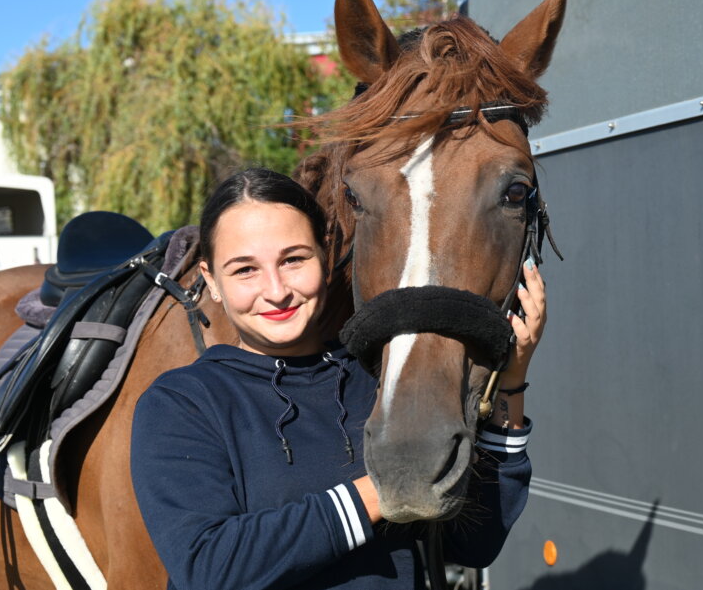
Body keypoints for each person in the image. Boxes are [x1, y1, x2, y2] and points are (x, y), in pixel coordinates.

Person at [130, 168, 546, 590]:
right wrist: (382, 489)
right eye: (244, 270)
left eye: (293, 260)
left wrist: (513, 378)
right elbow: (209, 569)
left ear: (326, 257)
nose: (275, 291)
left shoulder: (375, 379)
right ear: (211, 281)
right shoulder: (181, 403)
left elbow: (473, 546)